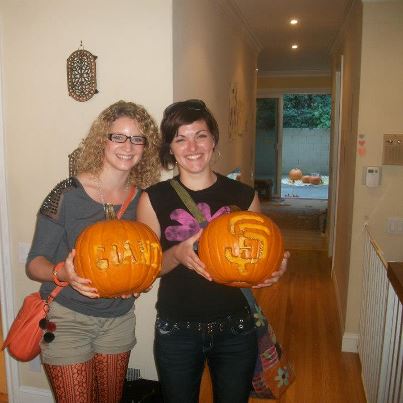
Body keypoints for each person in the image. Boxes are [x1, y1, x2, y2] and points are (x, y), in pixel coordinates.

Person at [136, 99, 289, 403]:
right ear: (170, 148)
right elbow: (146, 269)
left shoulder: (243, 195)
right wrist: (177, 254)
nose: (192, 147)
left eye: (200, 135)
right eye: (181, 138)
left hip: (236, 327)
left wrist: (274, 268)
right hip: (177, 330)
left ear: (213, 140)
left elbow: (260, 252)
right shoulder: (153, 199)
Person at [26, 100, 161, 402]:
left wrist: (140, 283)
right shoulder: (65, 193)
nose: (128, 146)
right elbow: (34, 263)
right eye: (119, 136)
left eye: (137, 138)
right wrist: (63, 273)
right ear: (103, 140)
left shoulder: (145, 200)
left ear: (145, 147)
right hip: (66, 319)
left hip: (118, 321)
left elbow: (148, 258)